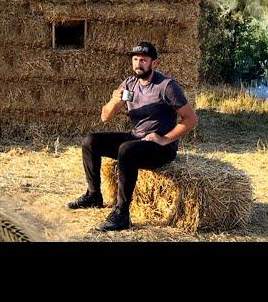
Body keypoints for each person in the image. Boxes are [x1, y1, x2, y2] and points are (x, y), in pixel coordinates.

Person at [67, 41, 198, 231]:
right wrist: (115, 100)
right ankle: (94, 195)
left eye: (143, 60)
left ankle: (122, 214)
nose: (138, 64)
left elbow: (190, 118)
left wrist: (165, 139)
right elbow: (105, 117)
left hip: (159, 147)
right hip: (136, 137)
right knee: (90, 141)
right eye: (135, 59)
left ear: (154, 63)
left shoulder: (166, 87)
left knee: (126, 150)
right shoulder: (130, 84)